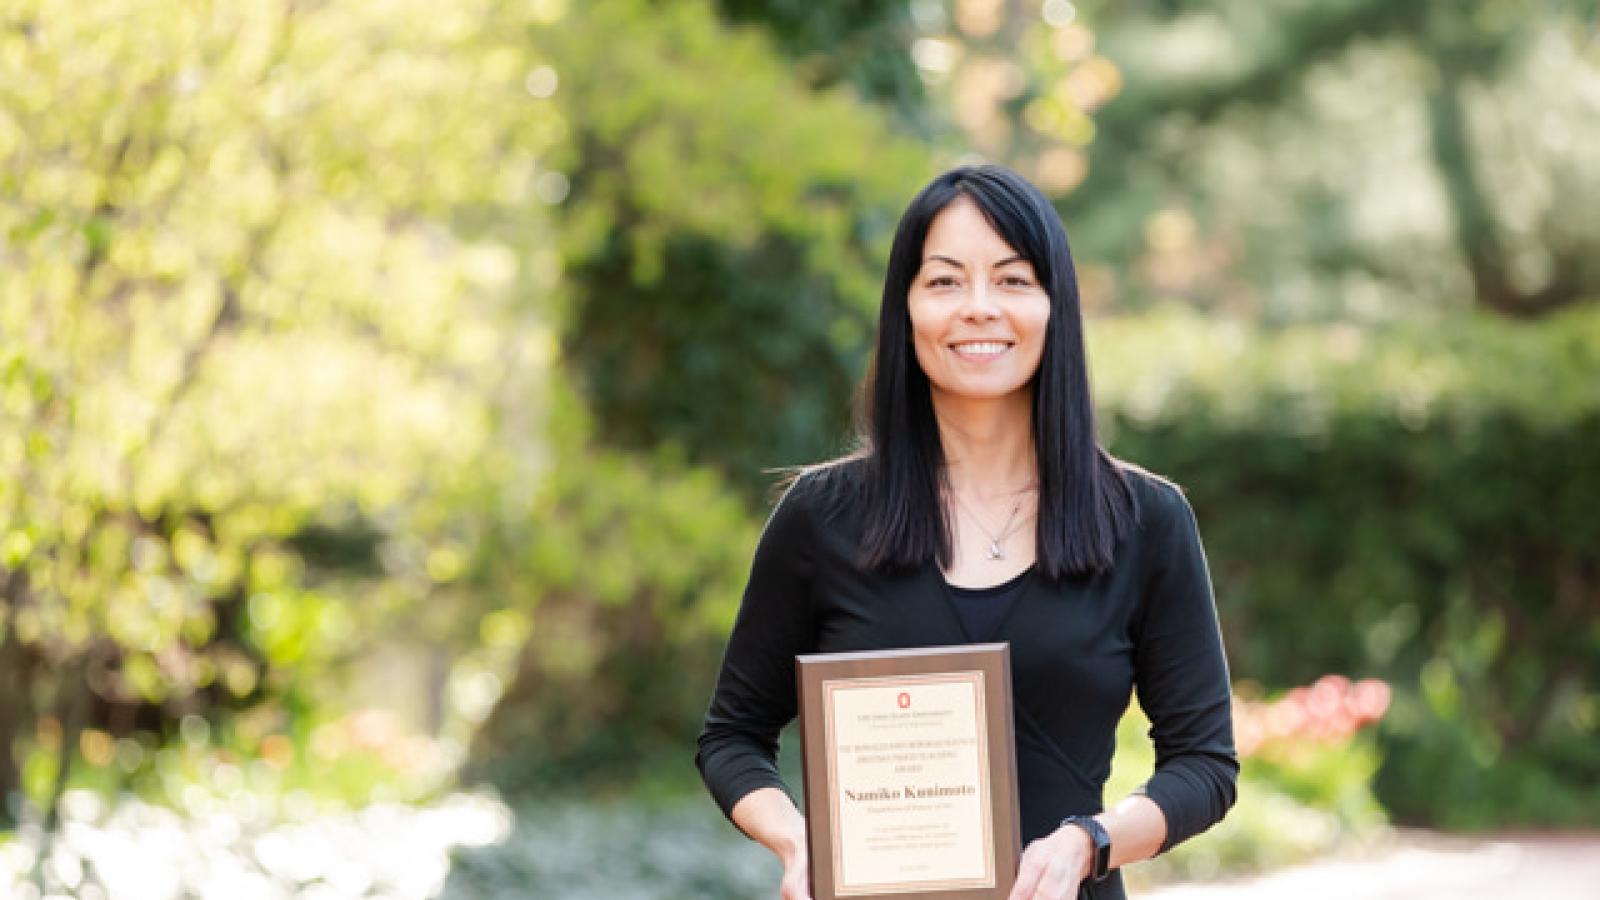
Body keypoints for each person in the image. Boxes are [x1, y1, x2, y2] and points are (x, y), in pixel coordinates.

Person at [695, 165, 1237, 900]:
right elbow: (733, 737)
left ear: (1054, 306)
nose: (978, 308)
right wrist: (801, 841)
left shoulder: (1146, 520)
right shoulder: (822, 516)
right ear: (906, 308)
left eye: (1012, 280)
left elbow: (1204, 765)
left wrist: (1090, 843)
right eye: (945, 281)